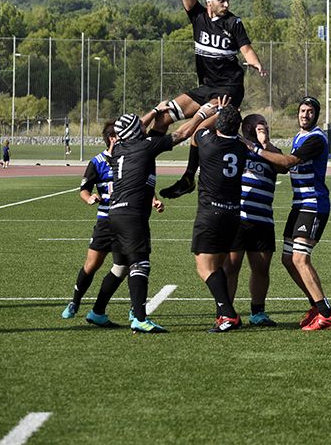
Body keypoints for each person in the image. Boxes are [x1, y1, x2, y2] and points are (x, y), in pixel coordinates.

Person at [156, 0, 265, 198]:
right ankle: (144, 162)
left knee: (197, 132)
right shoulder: (197, 16)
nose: (227, 4)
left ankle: (188, 178)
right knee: (162, 117)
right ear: (209, 3)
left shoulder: (233, 23)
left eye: (228, 0)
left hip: (228, 91)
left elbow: (246, 49)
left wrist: (255, 62)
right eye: (222, 0)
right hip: (206, 88)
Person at [108, 100, 218, 334]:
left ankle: (124, 310)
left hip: (114, 213)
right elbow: (180, 134)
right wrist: (201, 114)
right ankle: (138, 317)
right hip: (132, 213)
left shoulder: (118, 148)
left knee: (124, 264)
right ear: (136, 132)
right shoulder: (144, 146)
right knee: (140, 263)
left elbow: (138, 127)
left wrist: (157, 111)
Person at [245, 97, 331, 330]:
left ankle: (326, 312)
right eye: (302, 110)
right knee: (288, 260)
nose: (305, 115)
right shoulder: (299, 137)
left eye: (310, 112)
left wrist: (255, 148)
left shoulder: (316, 138)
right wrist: (264, 145)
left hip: (313, 205)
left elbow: (288, 161)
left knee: (300, 258)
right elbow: (283, 164)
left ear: (317, 115)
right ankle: (316, 306)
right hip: (299, 205)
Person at [61, 122, 164, 327]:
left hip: (126, 219)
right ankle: (75, 301)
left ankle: (104, 310)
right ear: (113, 139)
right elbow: (84, 189)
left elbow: (141, 183)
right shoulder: (97, 162)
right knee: (92, 265)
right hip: (105, 221)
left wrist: (153, 200)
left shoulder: (131, 155)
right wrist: (89, 198)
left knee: (122, 266)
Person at [189, 101, 253, 333]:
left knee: (204, 267)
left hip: (211, 214)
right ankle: (223, 314)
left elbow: (195, 132)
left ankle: (228, 314)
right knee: (218, 266)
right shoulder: (241, 147)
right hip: (233, 214)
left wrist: (214, 112)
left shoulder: (209, 142)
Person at [223, 113, 284, 327]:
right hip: (237, 217)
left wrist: (265, 144)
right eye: (259, 125)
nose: (264, 128)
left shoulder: (271, 151)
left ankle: (258, 312)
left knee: (261, 268)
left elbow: (284, 166)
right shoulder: (236, 146)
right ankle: (227, 313)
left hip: (263, 219)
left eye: (266, 125)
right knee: (231, 267)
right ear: (246, 127)